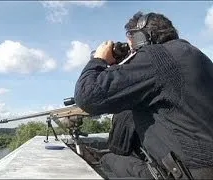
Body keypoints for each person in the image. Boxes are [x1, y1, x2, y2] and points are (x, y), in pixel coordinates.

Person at [74, 11, 213, 179]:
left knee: (110, 159)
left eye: (132, 45)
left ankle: (100, 158)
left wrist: (98, 60)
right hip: (202, 165)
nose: (132, 52)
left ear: (142, 37)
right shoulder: (194, 55)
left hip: (191, 173)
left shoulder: (156, 57)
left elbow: (87, 96)